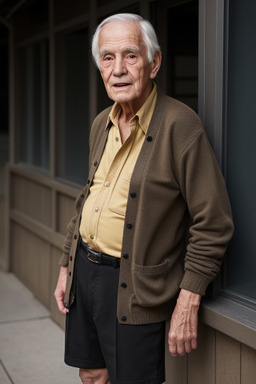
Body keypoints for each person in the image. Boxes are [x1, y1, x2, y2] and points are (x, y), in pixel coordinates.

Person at [54, 13, 233, 384]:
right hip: (84, 272)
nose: (118, 68)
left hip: (134, 288)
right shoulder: (101, 121)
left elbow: (213, 222)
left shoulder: (180, 125)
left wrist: (189, 295)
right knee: (91, 374)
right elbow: (88, 197)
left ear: (154, 63)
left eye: (131, 56)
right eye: (107, 57)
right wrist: (66, 265)